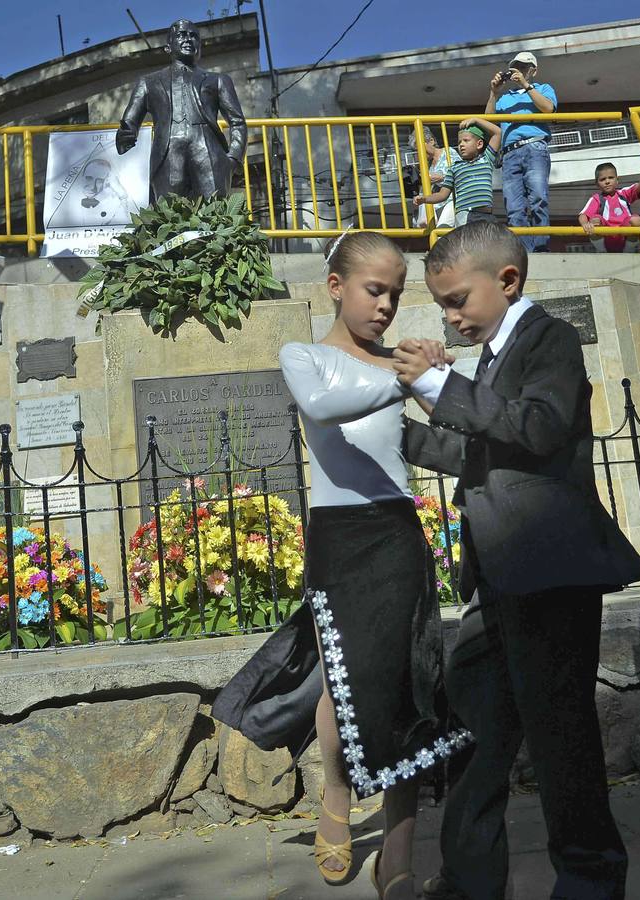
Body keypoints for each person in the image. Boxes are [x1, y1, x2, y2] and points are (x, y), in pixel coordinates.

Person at [396, 220, 640, 899]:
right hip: (498, 575)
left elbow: (537, 428)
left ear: (507, 281)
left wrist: (440, 385)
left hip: (547, 569)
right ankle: (470, 879)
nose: (449, 316)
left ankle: (592, 879)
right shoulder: (493, 354)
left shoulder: (550, 340)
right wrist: (405, 435)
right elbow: (487, 454)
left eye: (456, 300)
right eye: (442, 303)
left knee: (560, 735)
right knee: (474, 728)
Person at [212, 232, 469, 899]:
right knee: (346, 682)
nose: (385, 306)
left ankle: (401, 856)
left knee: (410, 682)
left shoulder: (398, 366)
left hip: (397, 532)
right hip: (340, 539)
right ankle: (336, 794)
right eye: (372, 290)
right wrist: (403, 376)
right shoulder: (305, 357)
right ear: (336, 286)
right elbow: (325, 407)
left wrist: (443, 378)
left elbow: (449, 438)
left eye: (394, 294)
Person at [116, 19, 247, 201]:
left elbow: (238, 122)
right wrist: (125, 135)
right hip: (167, 153)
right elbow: (130, 121)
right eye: (181, 35)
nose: (188, 39)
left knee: (215, 216)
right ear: (168, 47)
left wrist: (232, 159)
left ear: (199, 46)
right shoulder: (148, 82)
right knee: (168, 215)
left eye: (193, 36)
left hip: (209, 151)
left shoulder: (218, 80)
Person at [486, 51, 556, 252]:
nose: (518, 71)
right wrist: (494, 92)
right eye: (515, 67)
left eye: (523, 67)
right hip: (509, 153)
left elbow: (548, 109)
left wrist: (525, 86)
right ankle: (524, 253)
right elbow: (489, 119)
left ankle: (541, 251)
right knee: (514, 208)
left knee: (538, 200)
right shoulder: (505, 97)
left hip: (535, 147)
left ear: (533, 71)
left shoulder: (543, 88)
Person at [413, 119, 500, 227]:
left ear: (479, 144)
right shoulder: (455, 167)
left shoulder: (486, 159)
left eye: (466, 140)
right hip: (464, 214)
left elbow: (497, 133)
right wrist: (425, 199)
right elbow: (442, 195)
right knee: (465, 243)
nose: (461, 145)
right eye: (459, 142)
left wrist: (476, 120)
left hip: (486, 213)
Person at [579, 161, 640, 253]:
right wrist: (585, 224)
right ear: (597, 184)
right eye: (602, 179)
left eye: (611, 178)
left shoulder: (624, 194)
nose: (607, 182)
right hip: (606, 237)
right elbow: (583, 215)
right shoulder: (597, 198)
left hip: (624, 236)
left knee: (636, 220)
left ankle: (628, 250)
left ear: (617, 180)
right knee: (595, 220)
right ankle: (602, 251)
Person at [415, 128, 462, 227]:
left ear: (431, 141)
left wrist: (443, 178)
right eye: (417, 150)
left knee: (443, 229)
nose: (420, 153)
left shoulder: (449, 153)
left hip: (451, 199)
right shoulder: (427, 165)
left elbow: (460, 174)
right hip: (436, 204)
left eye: (420, 148)